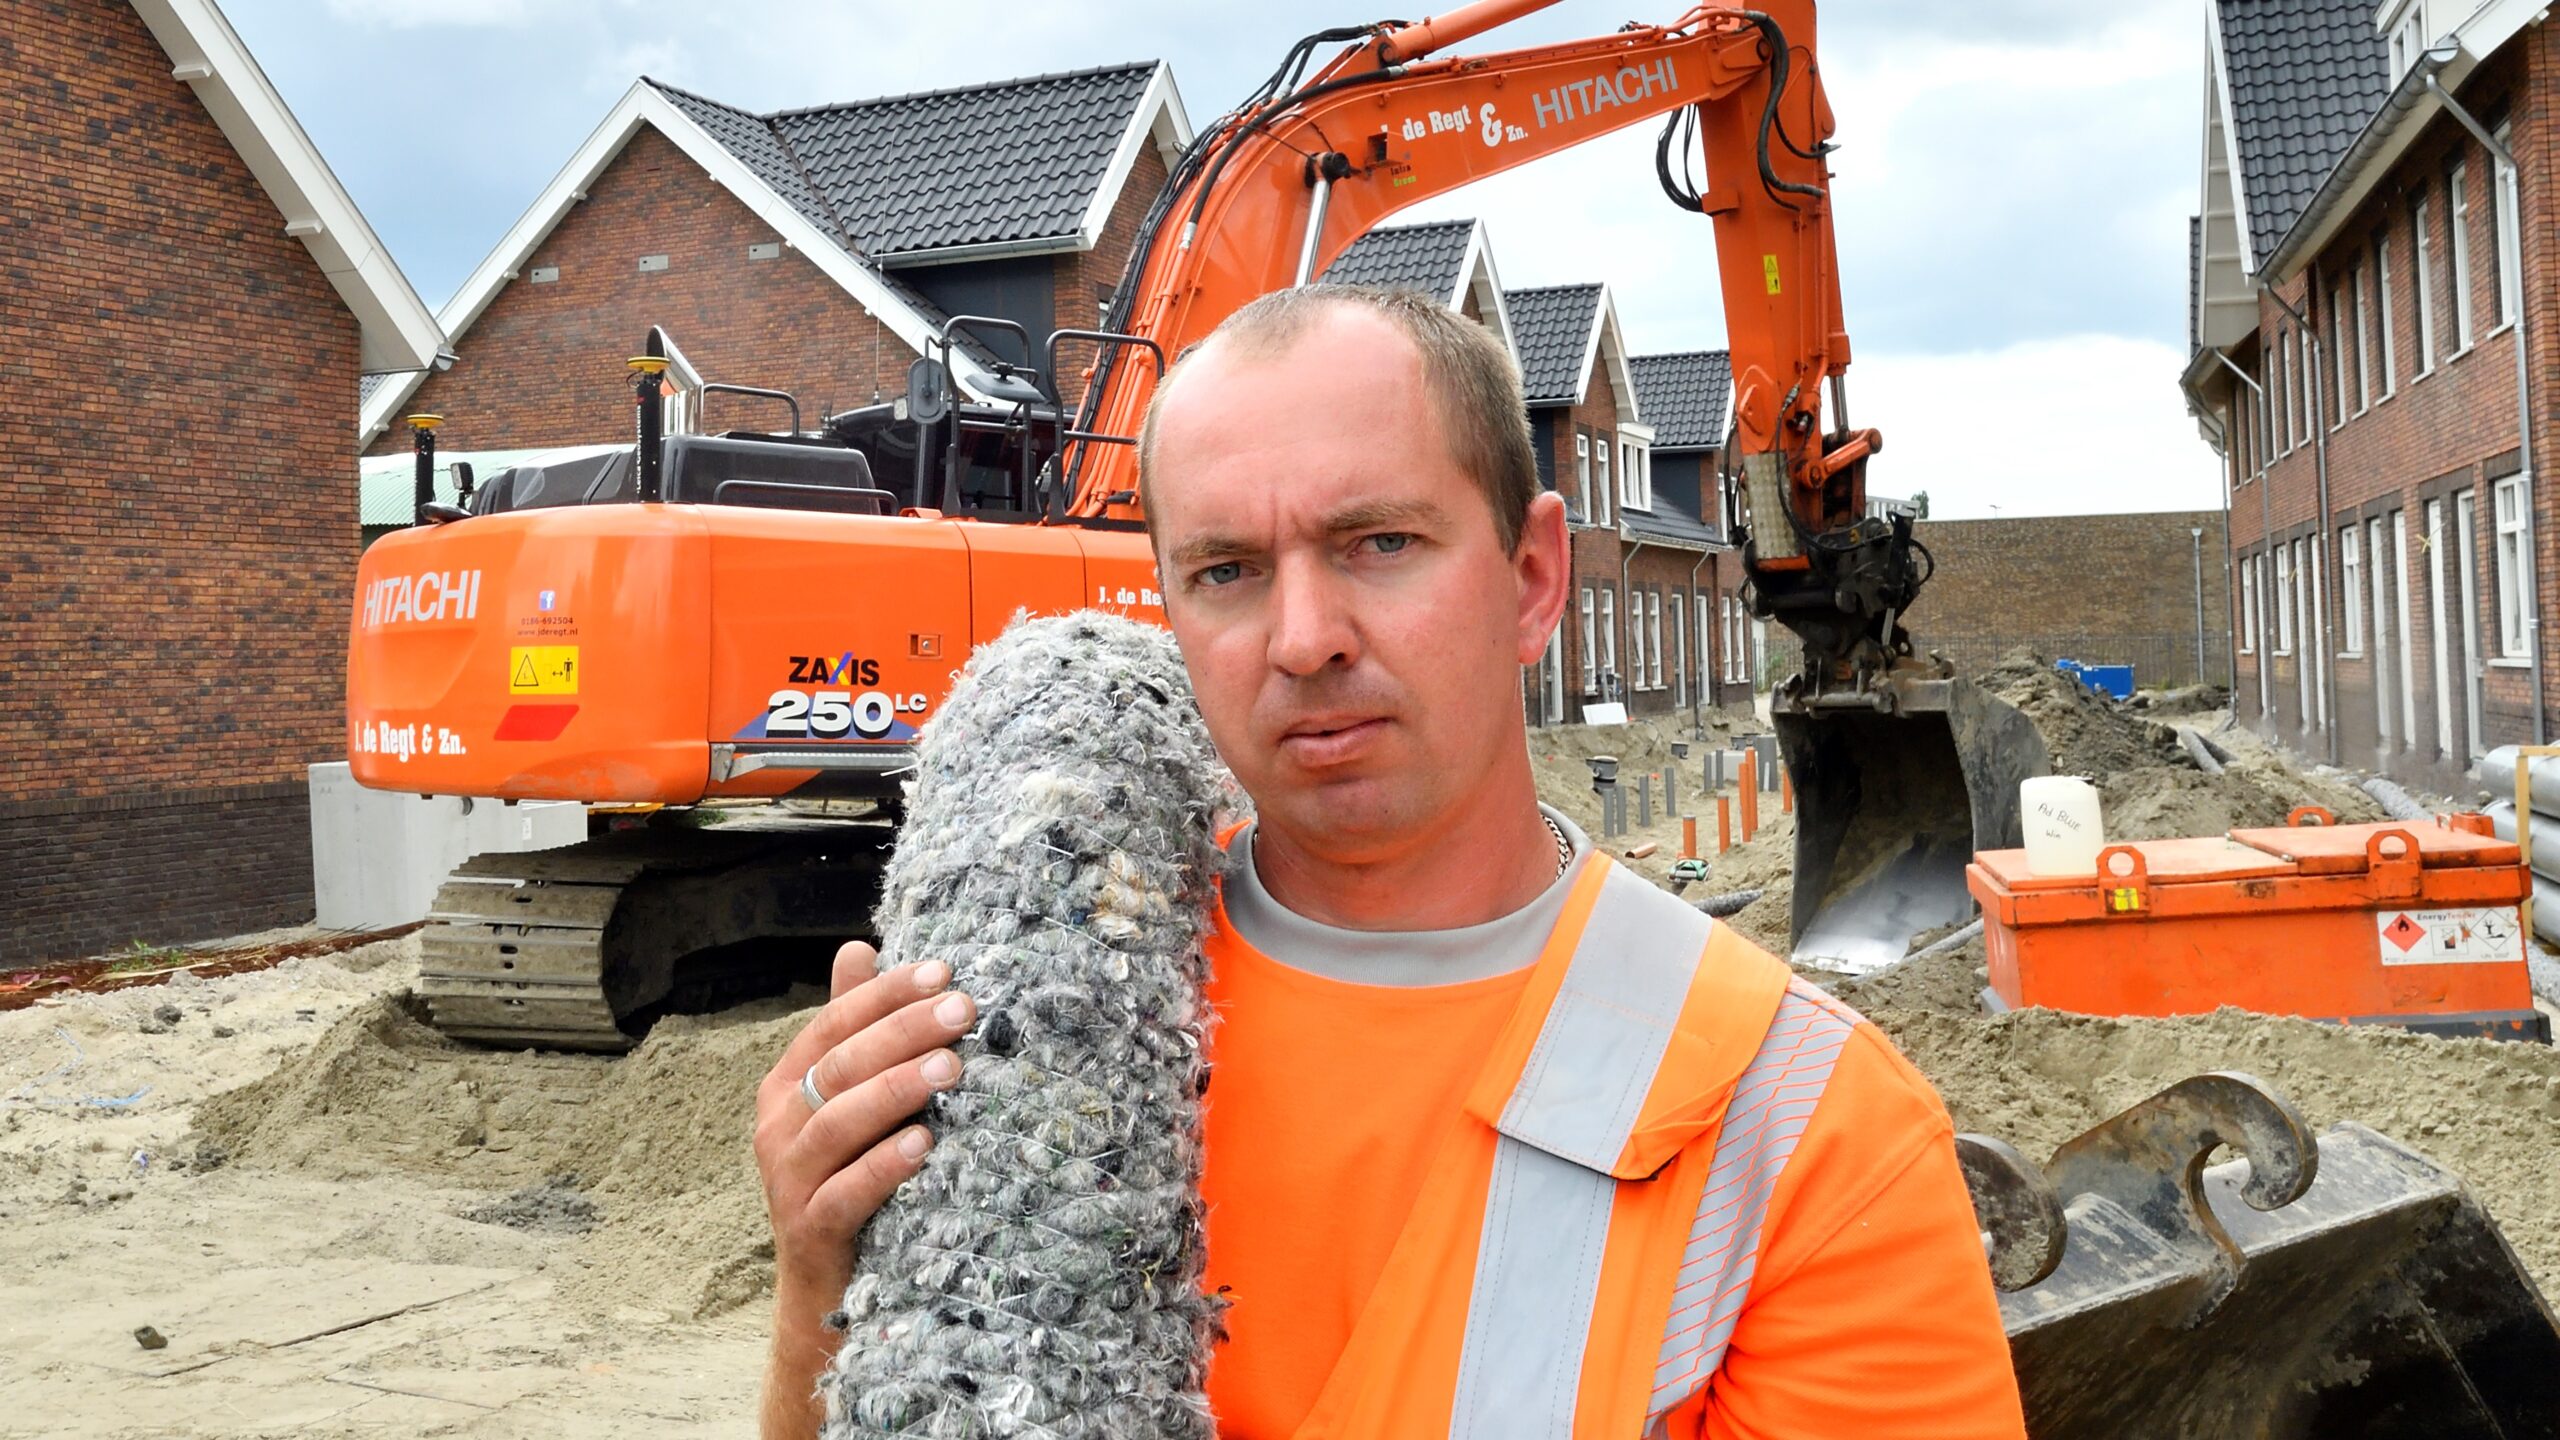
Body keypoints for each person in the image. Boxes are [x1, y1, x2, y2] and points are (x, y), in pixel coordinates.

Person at [754, 286, 2027, 1438]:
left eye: (1377, 544)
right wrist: (824, 1287)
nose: (1303, 638)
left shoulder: (1806, 1133)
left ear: (1534, 577)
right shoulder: (1030, 1022)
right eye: (1226, 571)